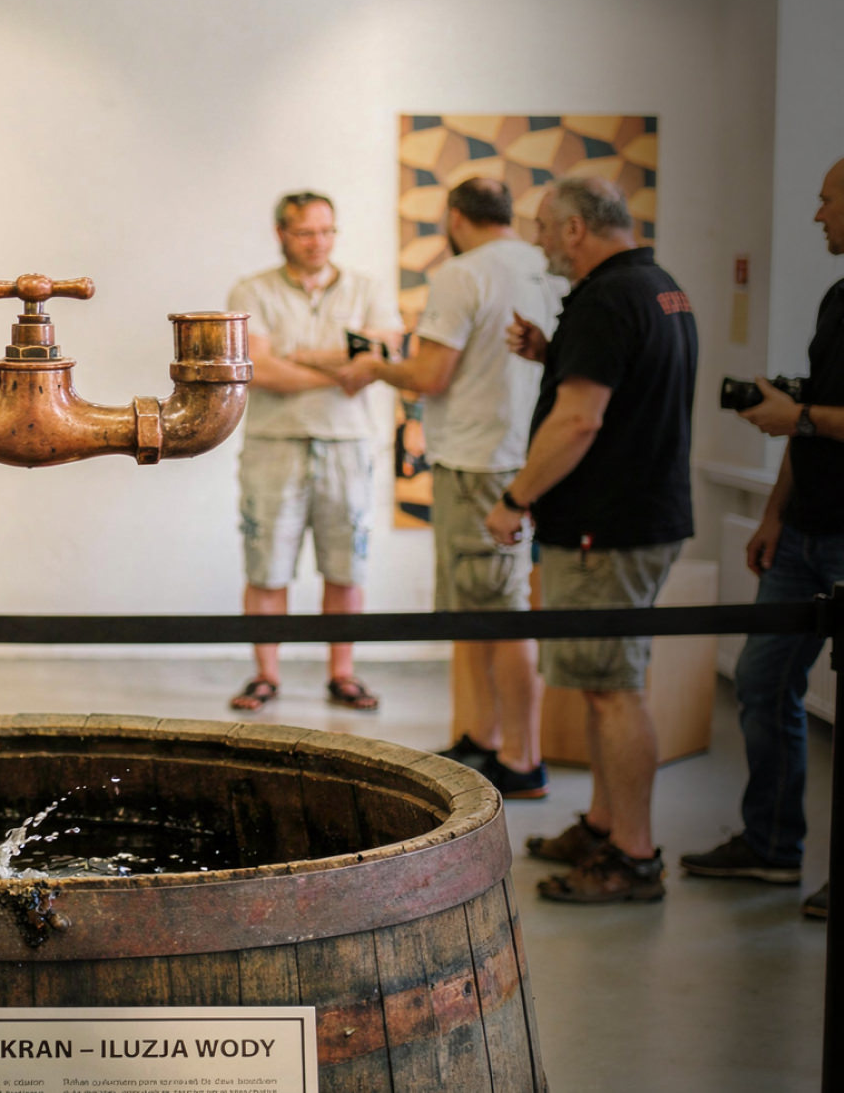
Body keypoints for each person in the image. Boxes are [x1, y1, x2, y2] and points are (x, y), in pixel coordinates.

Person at [486, 176, 696, 904]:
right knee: (608, 685)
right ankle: (606, 825)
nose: (539, 239)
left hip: (608, 528)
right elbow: (625, 385)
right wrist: (556, 355)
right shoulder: (658, 287)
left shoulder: (607, 298)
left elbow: (580, 422)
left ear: (575, 228)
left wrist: (515, 498)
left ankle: (633, 856)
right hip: (637, 518)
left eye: (545, 226)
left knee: (614, 692)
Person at [350, 178, 563, 798]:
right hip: (524, 452)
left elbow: (431, 375)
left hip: (477, 462)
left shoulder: (462, 273)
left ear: (454, 217)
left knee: (502, 613)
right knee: (476, 609)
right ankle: (480, 738)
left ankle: (521, 759)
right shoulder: (546, 269)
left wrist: (374, 366)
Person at [680, 155, 844, 920]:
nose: (817, 214)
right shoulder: (836, 298)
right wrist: (776, 512)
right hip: (804, 532)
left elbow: (805, 419)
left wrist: (800, 416)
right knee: (761, 681)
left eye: (827, 199)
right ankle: (773, 846)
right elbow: (804, 421)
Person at [225, 190, 401, 713]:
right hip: (273, 444)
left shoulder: (367, 288)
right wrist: (341, 366)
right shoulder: (251, 290)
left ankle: (342, 674)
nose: (318, 242)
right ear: (281, 233)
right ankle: (266, 675)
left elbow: (385, 353)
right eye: (306, 232)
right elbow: (260, 369)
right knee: (267, 565)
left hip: (348, 443)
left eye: (327, 231)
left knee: (347, 566)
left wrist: (299, 356)